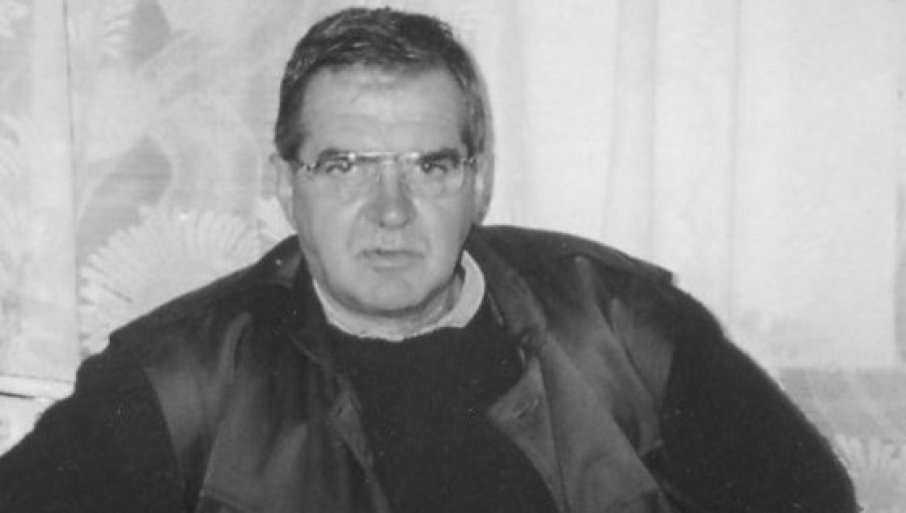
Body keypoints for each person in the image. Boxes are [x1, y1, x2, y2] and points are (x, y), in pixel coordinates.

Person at [0, 7, 856, 513]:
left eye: (430, 166)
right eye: (345, 166)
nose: (391, 210)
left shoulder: (622, 326)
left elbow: (809, 498)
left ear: (478, 181)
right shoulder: (178, 377)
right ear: (285, 186)